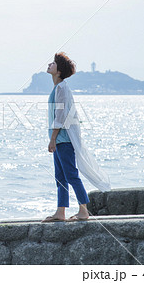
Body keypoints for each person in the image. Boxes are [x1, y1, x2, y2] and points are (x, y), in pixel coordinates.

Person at [42, 52, 110, 222]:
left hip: (63, 140)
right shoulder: (57, 87)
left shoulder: (62, 88)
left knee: (71, 175)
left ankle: (83, 211)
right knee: (60, 178)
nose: (50, 64)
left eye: (54, 63)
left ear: (59, 71)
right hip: (59, 140)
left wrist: (52, 139)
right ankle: (60, 212)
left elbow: (60, 116)